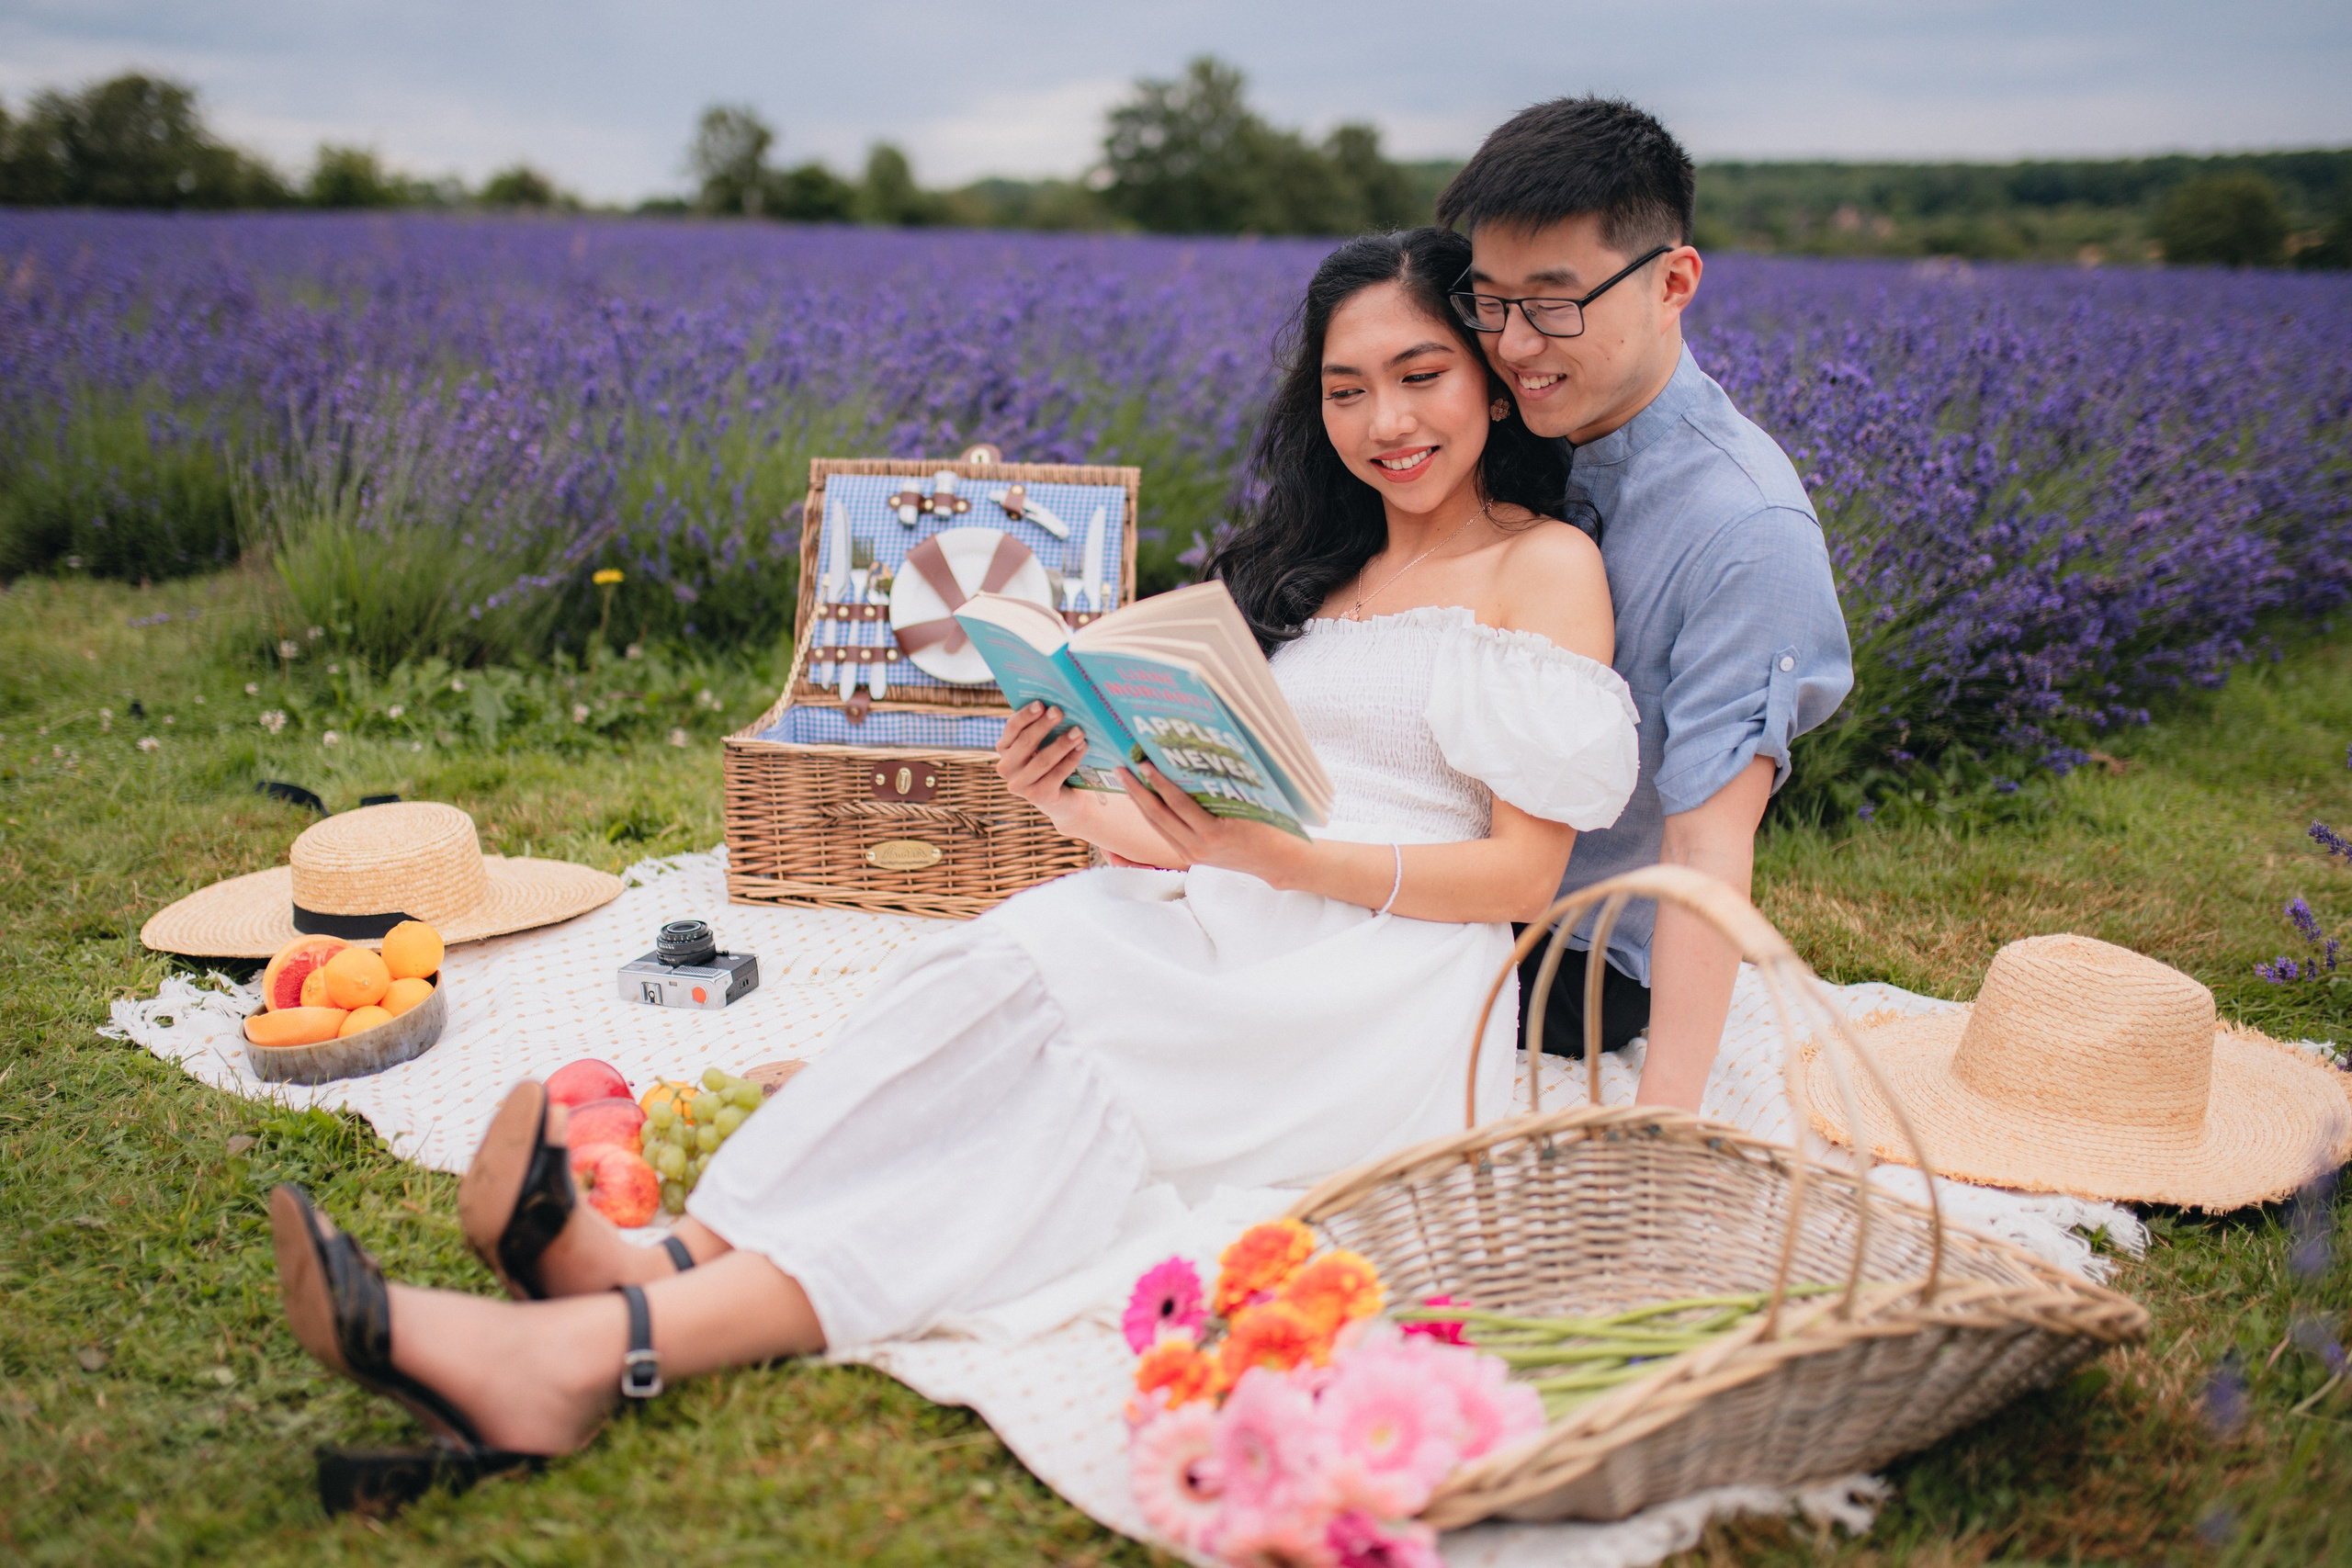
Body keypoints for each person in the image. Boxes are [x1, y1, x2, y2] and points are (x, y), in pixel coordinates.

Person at [267, 226, 1641, 1477]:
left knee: (1059, 1069)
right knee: (1004, 959)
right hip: (1246, 911)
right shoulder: (1321, 574)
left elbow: (1523, 879)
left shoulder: (1542, 566)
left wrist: (1276, 863)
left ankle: (592, 1347)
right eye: (1347, 390)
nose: (1386, 421)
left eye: (1420, 376)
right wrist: (1075, 804)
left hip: (1385, 980)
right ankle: (660, 1260)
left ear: (1488, 379)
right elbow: (1211, 834)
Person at [1434, 98, 1852, 1109]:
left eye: (1554, 303)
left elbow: (1706, 850)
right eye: (1487, 302)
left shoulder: (1744, 529)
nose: (1515, 344)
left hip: (1565, 956)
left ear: (1673, 283)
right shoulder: (1499, 421)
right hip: (1430, 869)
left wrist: (1665, 1121)